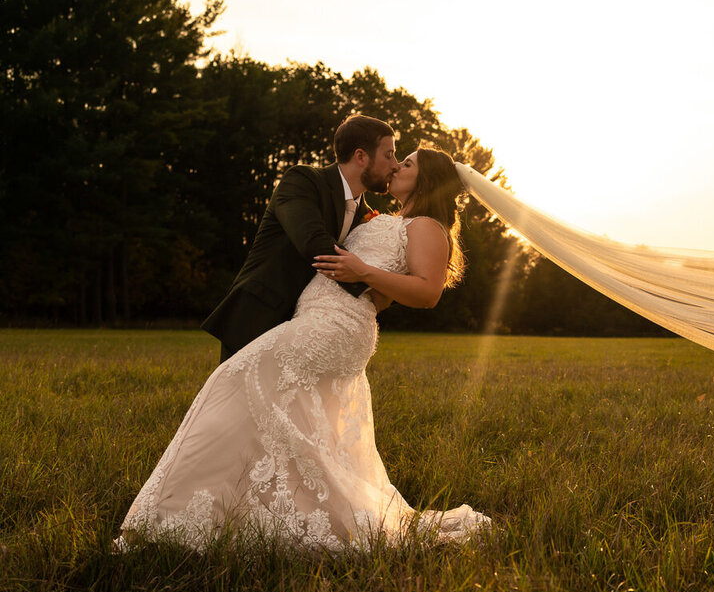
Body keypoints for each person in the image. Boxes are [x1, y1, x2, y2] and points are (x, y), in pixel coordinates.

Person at [117, 146, 488, 549]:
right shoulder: (385, 220)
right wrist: (371, 281)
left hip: (335, 327)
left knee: (234, 379)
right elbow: (382, 287)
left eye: (408, 163)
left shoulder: (427, 227)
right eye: (397, 158)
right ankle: (242, 512)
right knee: (288, 421)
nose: (398, 166)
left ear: (427, 179)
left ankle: (179, 518)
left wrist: (363, 272)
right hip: (312, 318)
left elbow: (427, 292)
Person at [202, 115, 400, 362]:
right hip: (260, 314)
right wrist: (372, 287)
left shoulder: (365, 213)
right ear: (361, 157)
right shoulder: (302, 180)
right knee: (233, 399)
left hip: (307, 324)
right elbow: (313, 243)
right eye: (389, 154)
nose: (395, 165)